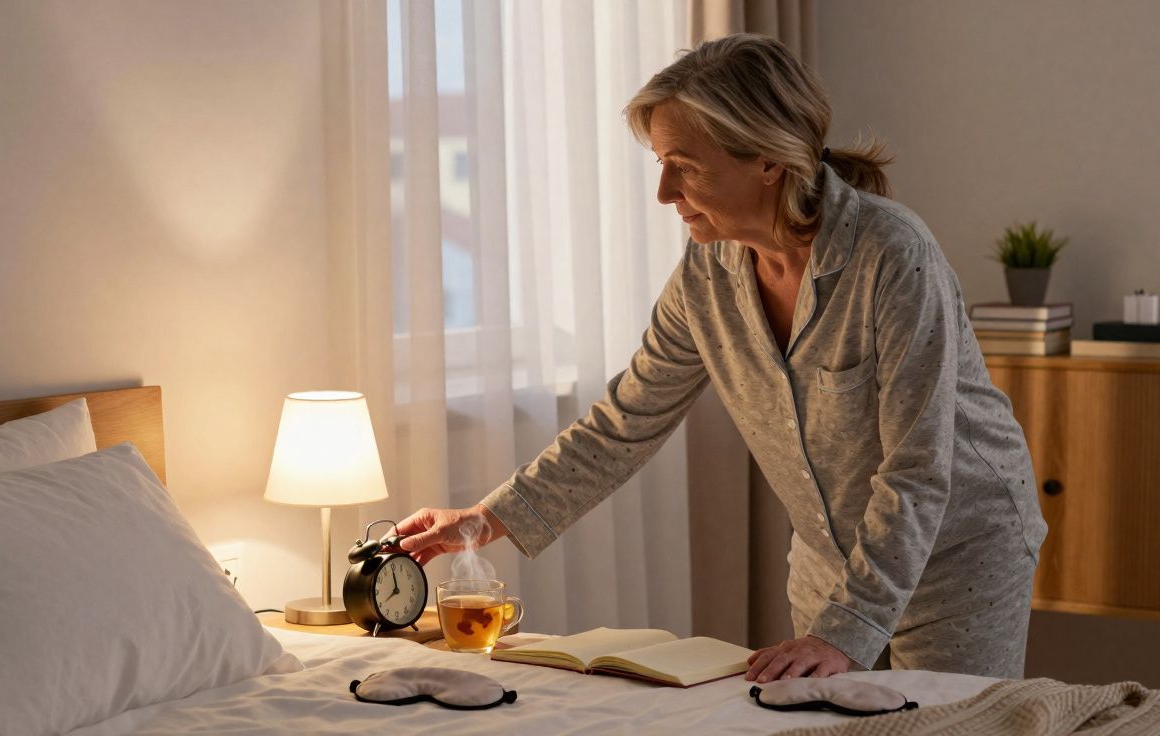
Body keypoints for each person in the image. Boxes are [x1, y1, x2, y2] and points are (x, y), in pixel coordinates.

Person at [395, 33, 1047, 682]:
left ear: (768, 159)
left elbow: (917, 468)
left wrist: (848, 631)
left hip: (957, 555)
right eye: (660, 162)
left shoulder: (893, 257)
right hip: (829, 563)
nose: (664, 191)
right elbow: (625, 423)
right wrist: (485, 519)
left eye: (686, 165)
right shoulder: (707, 277)